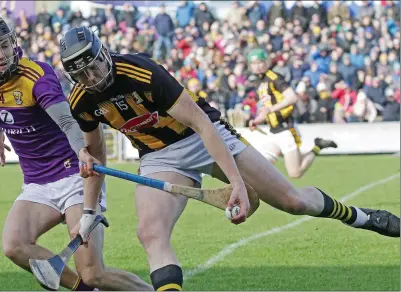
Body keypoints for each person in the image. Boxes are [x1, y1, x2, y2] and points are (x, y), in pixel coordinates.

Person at [60, 26, 400, 291]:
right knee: (150, 232)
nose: (93, 77)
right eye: (82, 75)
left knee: (294, 201)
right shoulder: (82, 101)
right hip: (159, 155)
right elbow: (97, 154)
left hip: (204, 135)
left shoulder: (142, 71)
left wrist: (237, 182)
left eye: (94, 66)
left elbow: (201, 123)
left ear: (104, 52)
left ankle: (358, 216)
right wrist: (89, 212)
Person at [0, 15, 152, 291]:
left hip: (74, 174)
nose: (1, 55)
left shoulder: (37, 77)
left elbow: (67, 121)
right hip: (37, 183)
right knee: (14, 245)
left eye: (5, 46)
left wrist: (82, 150)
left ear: (13, 42)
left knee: (93, 273)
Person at [248, 48, 338, 179]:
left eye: (259, 62)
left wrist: (271, 109)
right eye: (253, 63)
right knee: (261, 168)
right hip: (272, 132)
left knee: (295, 173)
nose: (257, 66)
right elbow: (266, 109)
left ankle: (318, 146)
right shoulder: (258, 82)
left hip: (286, 130)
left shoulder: (275, 78)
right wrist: (257, 120)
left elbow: (292, 97)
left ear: (266, 62)